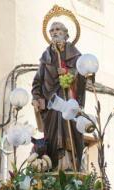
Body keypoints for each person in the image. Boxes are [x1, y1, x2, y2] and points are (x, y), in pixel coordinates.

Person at [31, 21, 86, 171]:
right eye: (52, 31)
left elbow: (82, 75)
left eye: (57, 30)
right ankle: (54, 166)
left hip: (68, 102)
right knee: (52, 137)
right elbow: (37, 81)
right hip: (51, 104)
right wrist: (36, 97)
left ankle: (70, 165)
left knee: (70, 132)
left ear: (66, 34)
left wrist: (69, 73)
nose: (54, 33)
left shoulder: (74, 54)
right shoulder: (46, 56)